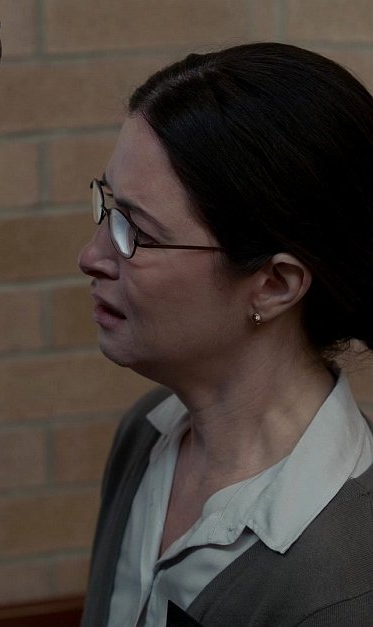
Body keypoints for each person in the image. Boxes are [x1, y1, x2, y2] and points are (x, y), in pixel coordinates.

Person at [78, 43, 373, 626]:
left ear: (274, 285)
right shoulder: (147, 432)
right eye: (111, 209)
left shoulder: (344, 581)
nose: (91, 256)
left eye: (139, 231)